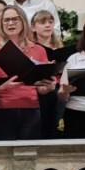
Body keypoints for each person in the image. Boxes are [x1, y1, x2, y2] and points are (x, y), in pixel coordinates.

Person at [0, 5, 53, 140]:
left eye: (15, 19)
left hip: (30, 109)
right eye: (6, 20)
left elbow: (41, 89)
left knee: (28, 154)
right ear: (1, 24)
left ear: (23, 21)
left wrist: (49, 86)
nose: (11, 23)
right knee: (3, 154)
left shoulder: (38, 50)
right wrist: (2, 87)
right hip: (0, 110)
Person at [29, 10, 64, 139]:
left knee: (55, 127)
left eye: (50, 22)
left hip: (57, 89)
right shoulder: (31, 48)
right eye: (42, 22)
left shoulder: (59, 45)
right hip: (38, 92)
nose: (48, 25)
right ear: (33, 27)